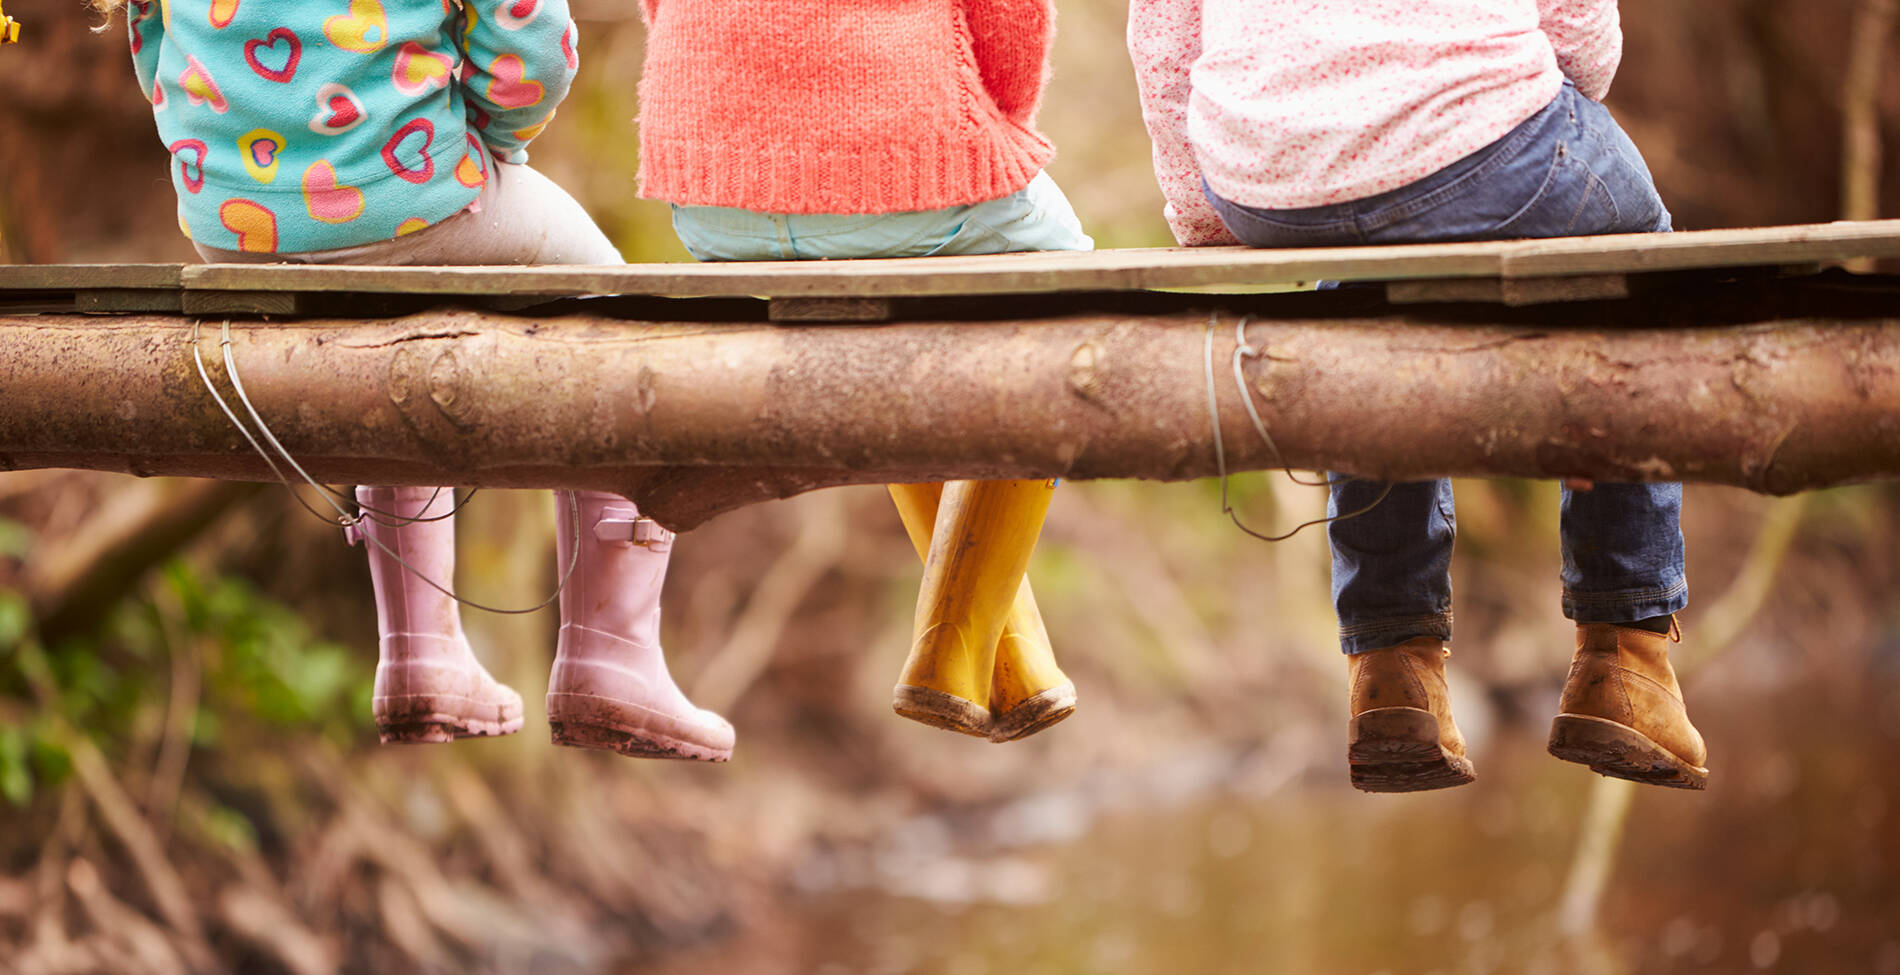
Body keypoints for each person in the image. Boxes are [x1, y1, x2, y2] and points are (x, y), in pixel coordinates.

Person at [106, 0, 733, 761]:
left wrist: (222, 150)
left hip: (234, 223)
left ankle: (419, 653)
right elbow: (530, 50)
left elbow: (149, 39)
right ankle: (612, 656)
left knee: (392, 308)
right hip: (412, 194)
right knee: (621, 311)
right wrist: (485, 151)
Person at [1130, 0, 1707, 790]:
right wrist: (1500, 94)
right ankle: (1624, 654)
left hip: (1269, 170)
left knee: (1365, 280)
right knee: (1640, 261)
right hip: (1479, 133)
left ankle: (1392, 667)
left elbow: (1163, 38)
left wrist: (1202, 208)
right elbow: (1579, 32)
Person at [635, 0, 1093, 743]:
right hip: (895, 164)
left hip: (715, 199)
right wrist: (991, 128)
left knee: (883, 307)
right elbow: (1013, 15)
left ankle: (1011, 656)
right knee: (1074, 279)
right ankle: (951, 640)